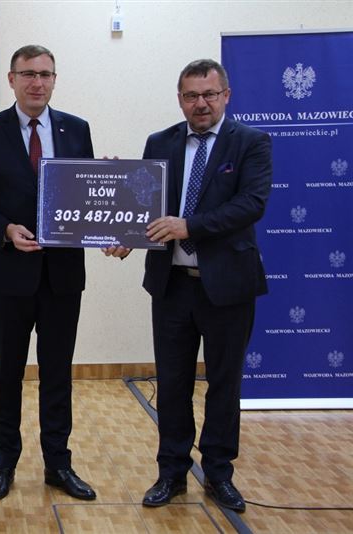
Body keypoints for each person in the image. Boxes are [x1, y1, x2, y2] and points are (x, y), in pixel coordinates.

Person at [104, 59, 272, 513]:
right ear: (179, 99)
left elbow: (251, 204)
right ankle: (171, 473)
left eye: (209, 94)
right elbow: (143, 205)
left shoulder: (251, 142)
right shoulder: (160, 142)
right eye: (191, 95)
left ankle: (219, 474)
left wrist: (188, 226)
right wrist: (126, 232)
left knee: (224, 384)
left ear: (226, 96)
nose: (201, 103)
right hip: (172, 285)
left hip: (228, 287)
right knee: (173, 383)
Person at [0, 45, 96, 501]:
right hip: (8, 275)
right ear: (11, 79)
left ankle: (58, 464)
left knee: (58, 374)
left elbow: (87, 197)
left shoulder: (77, 130)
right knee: (8, 373)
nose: (37, 82)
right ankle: (5, 463)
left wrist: (114, 203)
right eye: (28, 74)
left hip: (63, 276)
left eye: (45, 74)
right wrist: (4, 229)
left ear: (54, 79)